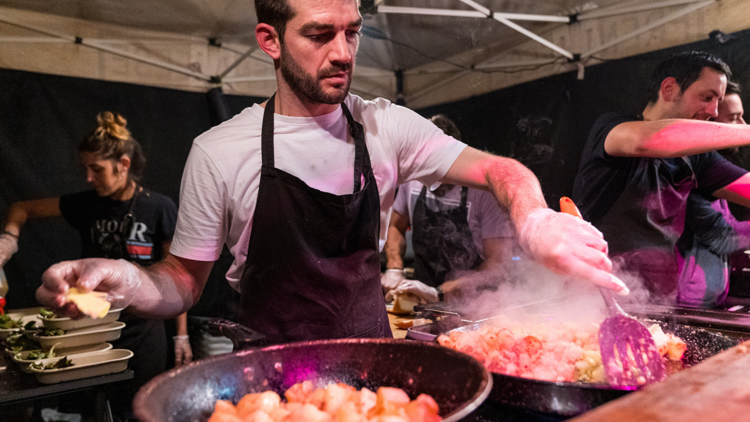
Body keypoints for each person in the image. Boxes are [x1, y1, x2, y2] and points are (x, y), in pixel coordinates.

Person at [36, 0, 626, 346]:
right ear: (270, 39)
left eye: (352, 32)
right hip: (269, 377)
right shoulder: (219, 151)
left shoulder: (386, 127)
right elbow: (180, 283)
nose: (343, 52)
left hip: (376, 362)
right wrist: (123, 276)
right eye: (320, 34)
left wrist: (533, 217)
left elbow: (501, 169)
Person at [0, 112, 191, 416]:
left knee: (142, 408)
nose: (88, 178)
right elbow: (22, 208)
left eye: (97, 169)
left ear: (124, 164)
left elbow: (179, 275)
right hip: (95, 327)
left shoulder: (159, 207)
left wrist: (181, 335)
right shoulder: (87, 203)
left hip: (144, 331)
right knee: (95, 408)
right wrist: (9, 238)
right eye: (85, 168)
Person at [572, 51, 750, 299]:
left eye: (718, 100)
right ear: (669, 88)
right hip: (594, 291)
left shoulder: (699, 157)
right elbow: (651, 140)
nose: (713, 110)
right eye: (707, 97)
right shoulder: (613, 126)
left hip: (658, 297)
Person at [382, 115, 515, 303]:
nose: (433, 180)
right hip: (420, 299)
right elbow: (395, 225)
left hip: (476, 304)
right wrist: (394, 267)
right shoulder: (412, 181)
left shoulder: (483, 192)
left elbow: (498, 265)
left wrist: (440, 293)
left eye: (440, 169)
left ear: (455, 159)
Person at [675, 81, 750, 308]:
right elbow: (722, 237)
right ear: (712, 120)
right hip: (689, 301)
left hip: (708, 295)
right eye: (734, 118)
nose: (743, 125)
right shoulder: (691, 172)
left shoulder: (714, 170)